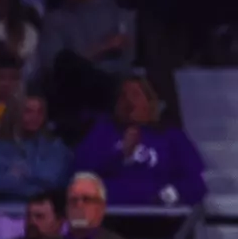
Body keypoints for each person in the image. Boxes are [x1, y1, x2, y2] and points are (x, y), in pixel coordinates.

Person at [72, 76, 208, 208]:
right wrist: (121, 154)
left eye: (135, 95)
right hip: (111, 218)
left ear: (150, 103)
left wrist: (166, 195)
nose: (128, 101)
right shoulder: (102, 133)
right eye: (123, 96)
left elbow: (196, 181)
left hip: (163, 220)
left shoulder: (171, 136)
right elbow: (81, 176)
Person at [25, 172, 145, 239]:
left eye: (87, 200)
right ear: (66, 208)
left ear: (102, 207)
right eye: (73, 200)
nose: (79, 205)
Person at [0, 93, 72, 201]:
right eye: (28, 111)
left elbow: (52, 179)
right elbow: (1, 183)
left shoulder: (55, 146)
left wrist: (20, 172)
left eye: (40, 112)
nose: (35, 117)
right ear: (14, 113)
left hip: (46, 208)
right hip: (5, 210)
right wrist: (36, 179)